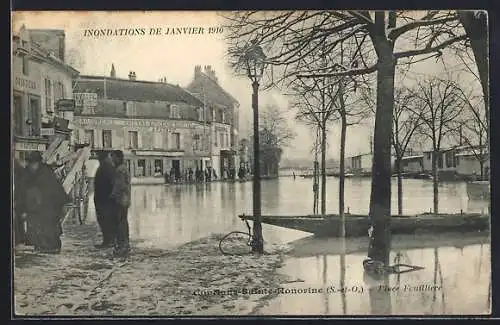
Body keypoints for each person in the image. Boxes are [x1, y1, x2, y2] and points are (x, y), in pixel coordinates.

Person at [22, 151, 70, 254]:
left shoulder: (46, 173)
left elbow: (55, 190)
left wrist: (61, 205)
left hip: (51, 205)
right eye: (29, 163)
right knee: (39, 226)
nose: (31, 166)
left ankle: (52, 247)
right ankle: (42, 245)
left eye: (33, 163)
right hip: (38, 206)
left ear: (38, 163)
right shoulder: (29, 173)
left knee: (49, 226)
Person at [110, 150, 131, 258]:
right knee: (123, 222)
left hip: (120, 200)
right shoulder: (124, 168)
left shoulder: (119, 170)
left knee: (120, 223)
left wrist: (111, 196)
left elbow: (119, 186)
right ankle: (125, 244)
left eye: (113, 157)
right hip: (125, 199)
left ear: (118, 158)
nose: (112, 160)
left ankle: (122, 246)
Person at [93, 151, 116, 249]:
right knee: (104, 220)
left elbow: (111, 184)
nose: (98, 158)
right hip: (104, 199)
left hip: (104, 200)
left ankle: (109, 241)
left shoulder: (105, 168)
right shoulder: (107, 167)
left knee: (105, 220)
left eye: (99, 157)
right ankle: (108, 241)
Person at [14, 159, 27, 245]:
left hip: (20, 200)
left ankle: (19, 238)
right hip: (20, 199)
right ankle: (20, 238)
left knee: (18, 218)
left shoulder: (19, 176)